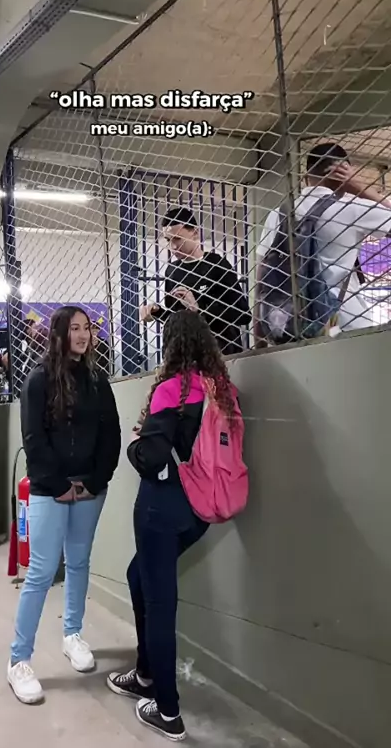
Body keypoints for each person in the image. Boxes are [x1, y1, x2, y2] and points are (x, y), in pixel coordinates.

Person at [107, 310, 239, 741]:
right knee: (137, 576)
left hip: (161, 509)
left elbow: (151, 459)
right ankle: (146, 672)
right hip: (199, 512)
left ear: (170, 346)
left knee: (160, 605)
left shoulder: (172, 391)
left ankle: (167, 711)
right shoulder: (222, 391)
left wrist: (134, 443)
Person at [7, 305, 121, 704]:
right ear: (59, 333)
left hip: (89, 489)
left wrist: (95, 481)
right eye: (74, 328)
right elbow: (34, 438)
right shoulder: (38, 380)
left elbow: (111, 433)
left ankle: (72, 635)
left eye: (87, 328)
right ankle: (18, 660)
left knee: (79, 562)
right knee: (40, 572)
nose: (83, 335)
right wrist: (58, 486)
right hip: (49, 490)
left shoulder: (97, 379)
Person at [255, 142, 391, 345]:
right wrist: (360, 189)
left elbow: (262, 275)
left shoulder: (278, 214)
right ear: (344, 174)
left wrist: (259, 333)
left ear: (305, 176)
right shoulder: (352, 209)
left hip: (289, 324)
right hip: (346, 321)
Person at [140, 207, 250, 356]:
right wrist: (157, 312)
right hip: (188, 356)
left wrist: (199, 309)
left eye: (178, 239)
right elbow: (176, 320)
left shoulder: (217, 265)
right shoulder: (172, 271)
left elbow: (243, 314)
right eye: (168, 240)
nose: (173, 247)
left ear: (195, 233)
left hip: (221, 353)